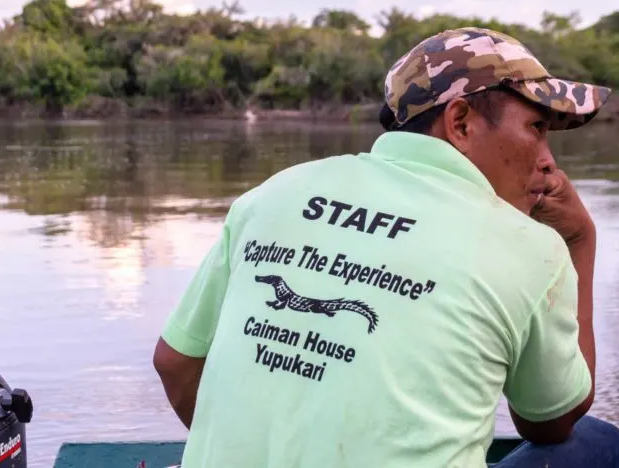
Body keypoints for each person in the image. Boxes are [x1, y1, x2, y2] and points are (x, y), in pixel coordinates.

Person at [152, 26, 619, 467]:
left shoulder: (275, 191)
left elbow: (175, 362)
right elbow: (552, 420)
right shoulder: (529, 247)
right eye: (537, 128)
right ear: (460, 122)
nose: (548, 163)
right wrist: (578, 240)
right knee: (596, 442)